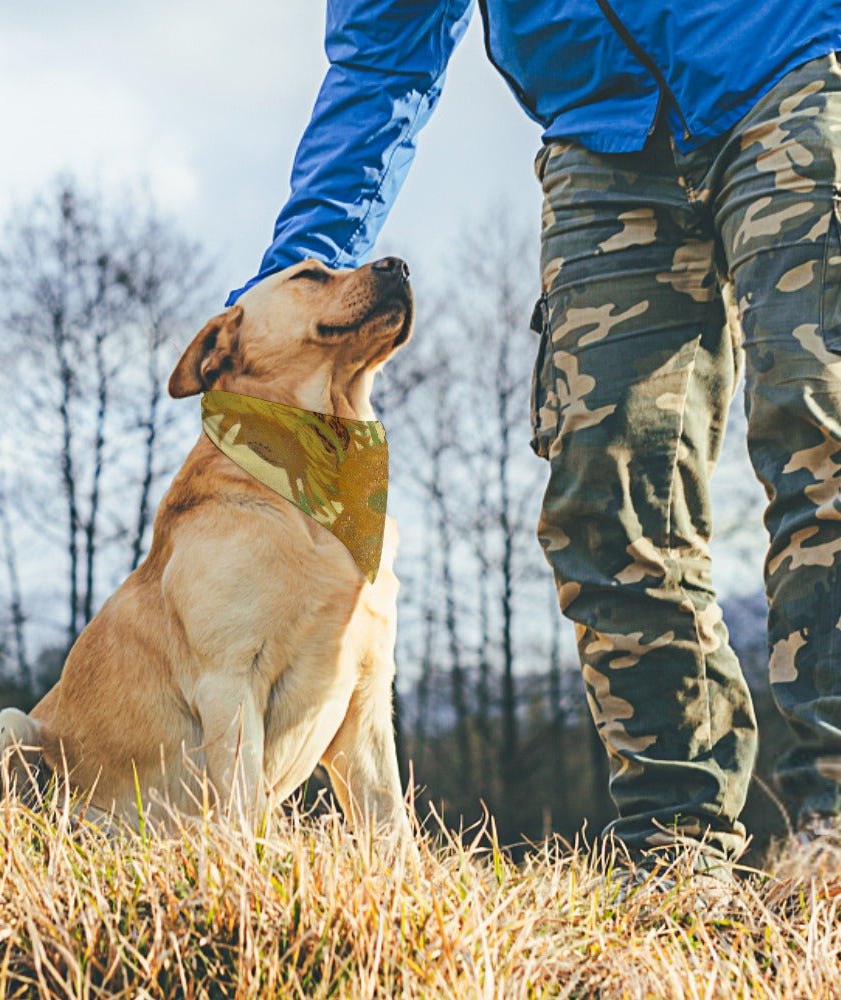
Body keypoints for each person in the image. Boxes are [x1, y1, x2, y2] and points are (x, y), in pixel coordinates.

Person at [228, 1, 841, 875]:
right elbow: (381, 64)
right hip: (603, 139)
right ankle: (676, 851)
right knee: (607, 498)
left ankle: (834, 832)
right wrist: (293, 287)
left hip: (790, 61)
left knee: (820, 431)